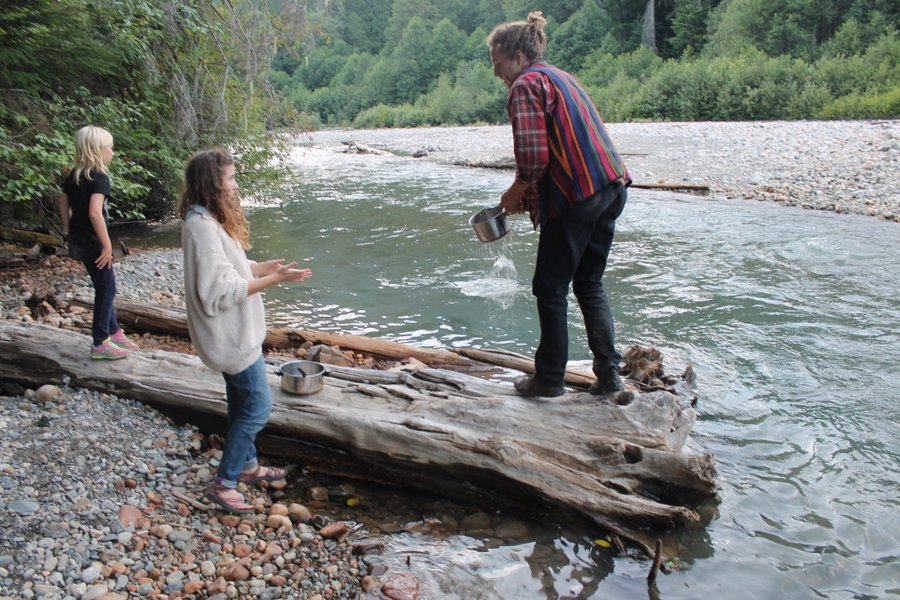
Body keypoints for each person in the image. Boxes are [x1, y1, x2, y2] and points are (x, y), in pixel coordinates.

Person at [488, 12, 630, 398]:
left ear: (517, 55)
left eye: (498, 63)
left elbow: (533, 158)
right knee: (589, 283)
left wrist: (517, 190)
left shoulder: (525, 85)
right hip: (612, 187)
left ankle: (549, 379)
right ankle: (610, 375)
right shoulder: (562, 77)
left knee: (549, 288)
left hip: (578, 195)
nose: (497, 73)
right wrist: (531, 194)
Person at [178, 148, 313, 514]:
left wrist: (258, 266)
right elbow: (221, 290)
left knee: (240, 401)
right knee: (257, 407)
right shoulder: (203, 227)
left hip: (230, 335)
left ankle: (249, 465)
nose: (235, 186)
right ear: (213, 182)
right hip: (232, 338)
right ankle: (224, 483)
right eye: (231, 179)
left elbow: (229, 269)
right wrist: (274, 279)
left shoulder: (204, 217)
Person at [58, 125, 139, 360]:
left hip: (79, 239)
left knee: (103, 286)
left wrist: (66, 227)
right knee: (107, 289)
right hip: (94, 242)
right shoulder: (100, 178)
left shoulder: (73, 175)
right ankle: (100, 343)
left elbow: (62, 200)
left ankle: (114, 333)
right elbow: (95, 213)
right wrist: (106, 246)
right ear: (98, 150)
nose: (112, 152)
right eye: (110, 148)